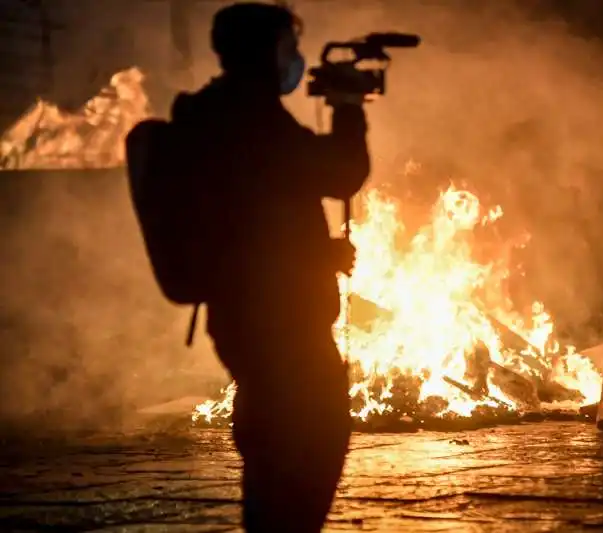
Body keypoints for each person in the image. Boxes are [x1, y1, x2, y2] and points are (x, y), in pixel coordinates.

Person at [169, 3, 370, 531]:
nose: (297, 60)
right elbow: (340, 173)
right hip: (280, 325)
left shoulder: (213, 114)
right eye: (290, 48)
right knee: (305, 444)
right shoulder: (249, 119)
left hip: (246, 314)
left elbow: (255, 223)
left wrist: (318, 254)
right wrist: (348, 106)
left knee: (274, 453)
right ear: (266, 52)